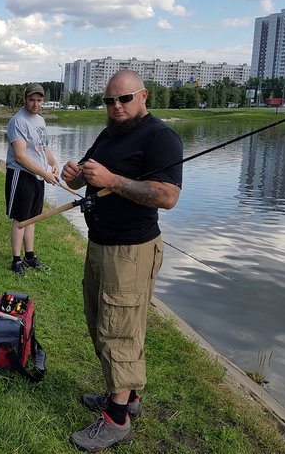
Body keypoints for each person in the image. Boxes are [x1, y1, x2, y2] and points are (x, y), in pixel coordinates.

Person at [61, 70, 183, 451]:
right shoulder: (109, 134)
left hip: (130, 251)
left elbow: (167, 196)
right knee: (101, 320)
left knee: (119, 329)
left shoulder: (161, 137)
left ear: (143, 96)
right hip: (101, 244)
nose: (115, 106)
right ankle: (127, 396)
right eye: (109, 100)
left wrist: (112, 180)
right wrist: (75, 175)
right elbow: (86, 178)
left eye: (124, 99)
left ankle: (116, 420)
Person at [5, 82, 59, 276]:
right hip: (21, 174)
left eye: (39, 100)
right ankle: (16, 260)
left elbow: (43, 147)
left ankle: (29, 256)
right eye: (32, 100)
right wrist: (44, 173)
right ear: (25, 99)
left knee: (32, 218)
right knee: (21, 219)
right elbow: (20, 156)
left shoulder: (40, 121)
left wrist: (53, 163)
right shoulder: (18, 121)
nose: (35, 104)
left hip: (37, 175)